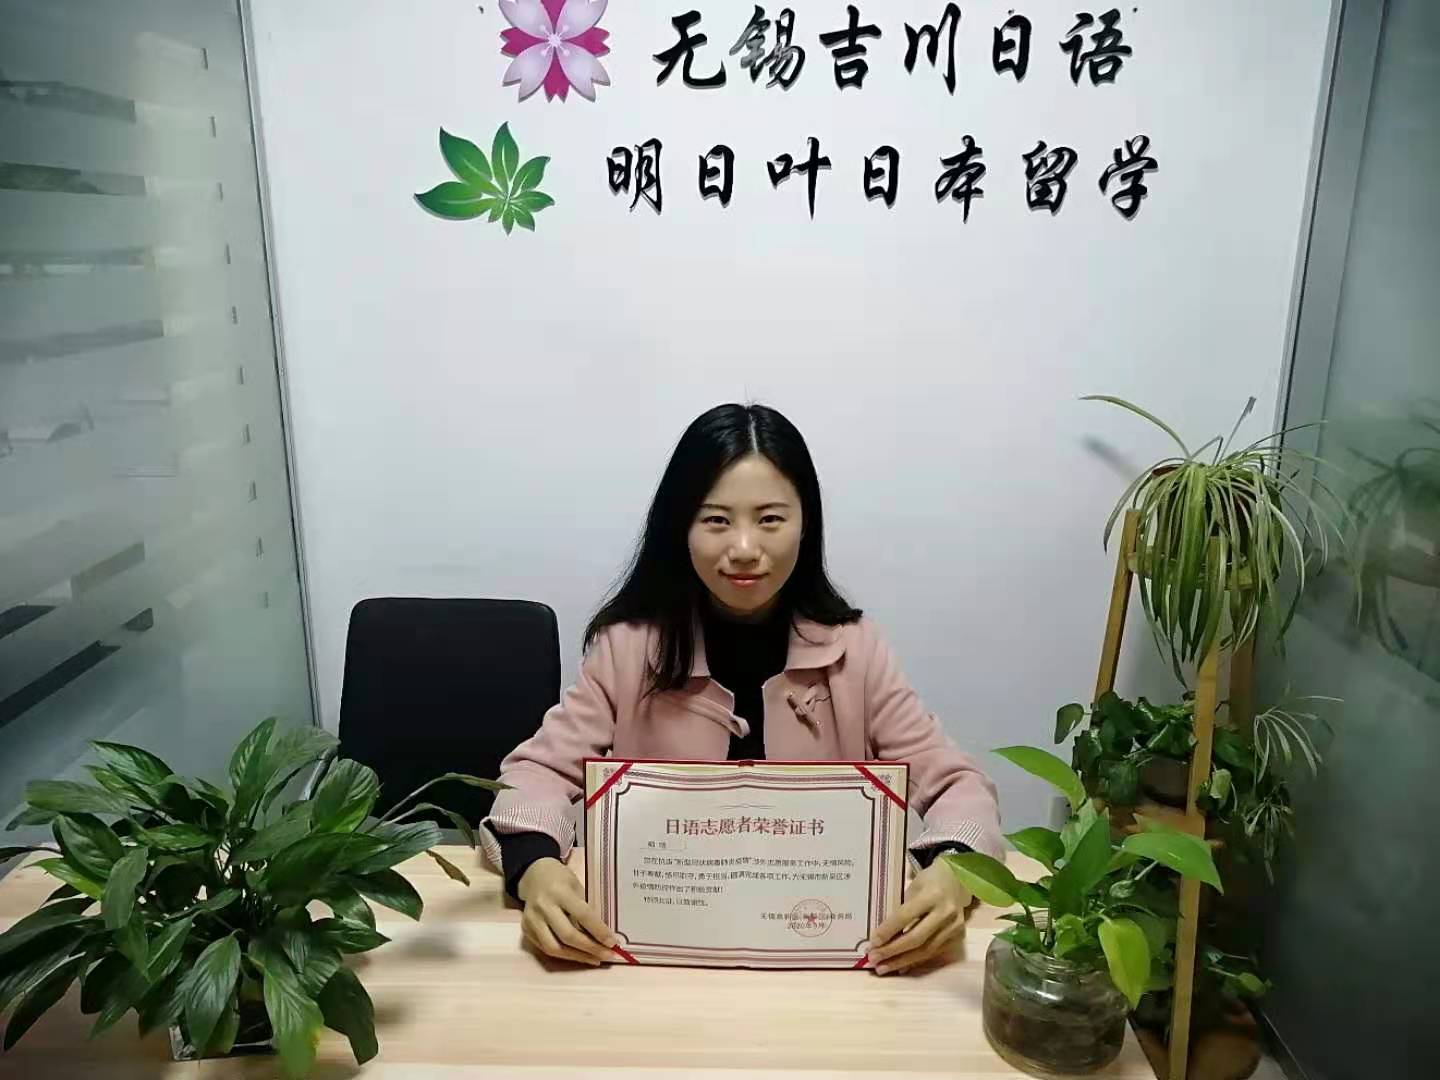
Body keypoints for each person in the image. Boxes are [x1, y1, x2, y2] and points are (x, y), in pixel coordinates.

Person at [480, 404, 1003, 974]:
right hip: (662, 946)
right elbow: (534, 777)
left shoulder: (855, 650)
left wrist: (953, 875)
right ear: (680, 527)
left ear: (806, 523)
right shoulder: (627, 647)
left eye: (771, 519)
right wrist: (537, 871)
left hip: (817, 948)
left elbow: (959, 787)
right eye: (717, 520)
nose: (746, 547)